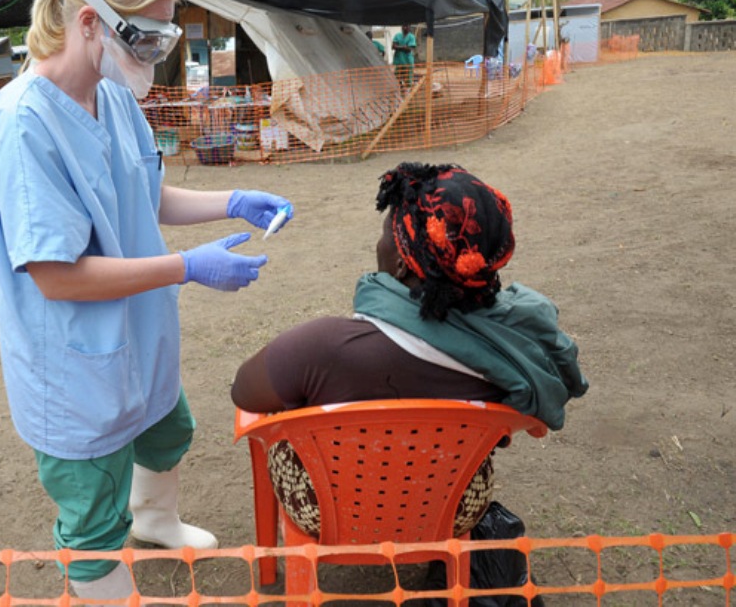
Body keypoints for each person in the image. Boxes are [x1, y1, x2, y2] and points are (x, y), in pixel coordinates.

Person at [0, 0, 293, 603]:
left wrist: (230, 201)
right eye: (145, 36)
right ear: (88, 21)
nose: (153, 54)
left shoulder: (112, 95)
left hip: (136, 336)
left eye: (162, 36)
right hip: (73, 362)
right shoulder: (23, 124)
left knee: (167, 426)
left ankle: (154, 518)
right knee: (91, 515)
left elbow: (144, 195)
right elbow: (56, 276)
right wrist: (186, 267)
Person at [232, 162, 588, 537]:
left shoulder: (322, 348)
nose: (379, 244)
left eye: (387, 234)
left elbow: (244, 391)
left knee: (283, 407)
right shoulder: (514, 348)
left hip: (328, 511)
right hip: (454, 507)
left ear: (402, 264)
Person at [392, 23, 417, 93]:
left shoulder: (411, 37)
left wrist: (399, 47)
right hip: (399, 60)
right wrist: (404, 46)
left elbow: (409, 49)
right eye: (404, 26)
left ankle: (408, 91)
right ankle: (401, 87)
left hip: (407, 61)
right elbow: (393, 46)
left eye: (407, 26)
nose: (405, 27)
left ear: (409, 27)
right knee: (397, 75)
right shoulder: (397, 35)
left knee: (408, 77)